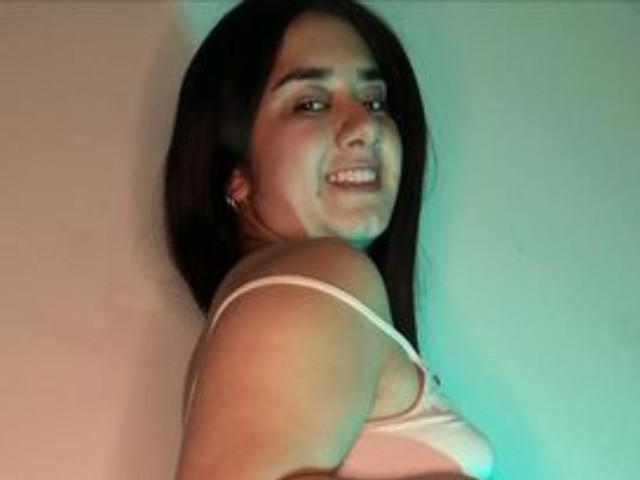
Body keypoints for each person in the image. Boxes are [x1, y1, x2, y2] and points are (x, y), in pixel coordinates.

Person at [163, 1, 494, 479]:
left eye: (374, 102)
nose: (366, 127)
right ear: (235, 170)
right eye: (311, 104)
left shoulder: (290, 297)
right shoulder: (321, 276)